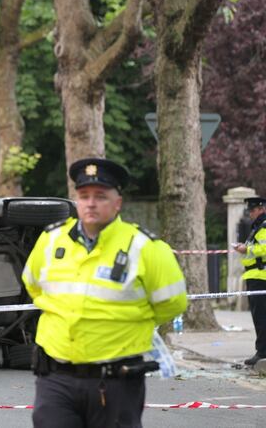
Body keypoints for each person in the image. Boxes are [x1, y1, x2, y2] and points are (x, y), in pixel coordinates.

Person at [22, 158, 188, 427]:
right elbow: (32, 285)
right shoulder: (51, 240)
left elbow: (172, 302)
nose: (90, 203)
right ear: (75, 200)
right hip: (56, 376)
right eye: (84, 195)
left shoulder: (145, 247)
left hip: (115, 380)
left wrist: (131, 325)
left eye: (100, 196)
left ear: (117, 202)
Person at [233, 196, 266, 366]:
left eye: (253, 210)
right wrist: (244, 248)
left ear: (261, 209)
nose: (250, 213)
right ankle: (261, 351)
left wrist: (247, 248)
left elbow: (264, 248)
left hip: (261, 277)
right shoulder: (257, 227)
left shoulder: (264, 226)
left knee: (261, 318)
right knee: (258, 317)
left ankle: (262, 352)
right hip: (254, 276)